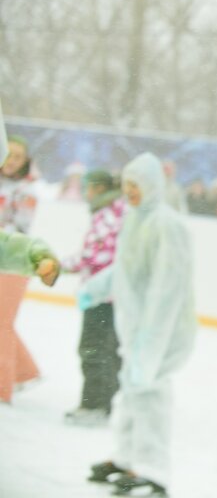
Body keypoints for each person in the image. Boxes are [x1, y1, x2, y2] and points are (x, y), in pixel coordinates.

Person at [81, 153, 196, 497]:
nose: (130, 191)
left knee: (150, 395)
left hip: (163, 330)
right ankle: (127, 458)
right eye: (126, 185)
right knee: (131, 392)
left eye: (136, 185)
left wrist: (152, 338)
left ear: (151, 186)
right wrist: (94, 288)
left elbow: (167, 289)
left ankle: (153, 471)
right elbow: (125, 269)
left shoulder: (167, 224)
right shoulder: (135, 219)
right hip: (136, 327)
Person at [61, 170, 125, 425]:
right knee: (108, 350)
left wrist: (57, 266)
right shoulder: (120, 212)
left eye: (86, 188)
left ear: (98, 188)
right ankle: (102, 403)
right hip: (115, 296)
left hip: (102, 296)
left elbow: (93, 256)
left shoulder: (107, 215)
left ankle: (94, 405)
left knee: (93, 348)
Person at [0, 134, 45, 403]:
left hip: (13, 264)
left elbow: (21, 229)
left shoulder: (26, 191)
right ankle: (26, 372)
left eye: (17, 156)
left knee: (1, 324)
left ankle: (3, 387)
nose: (11, 161)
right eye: (8, 154)